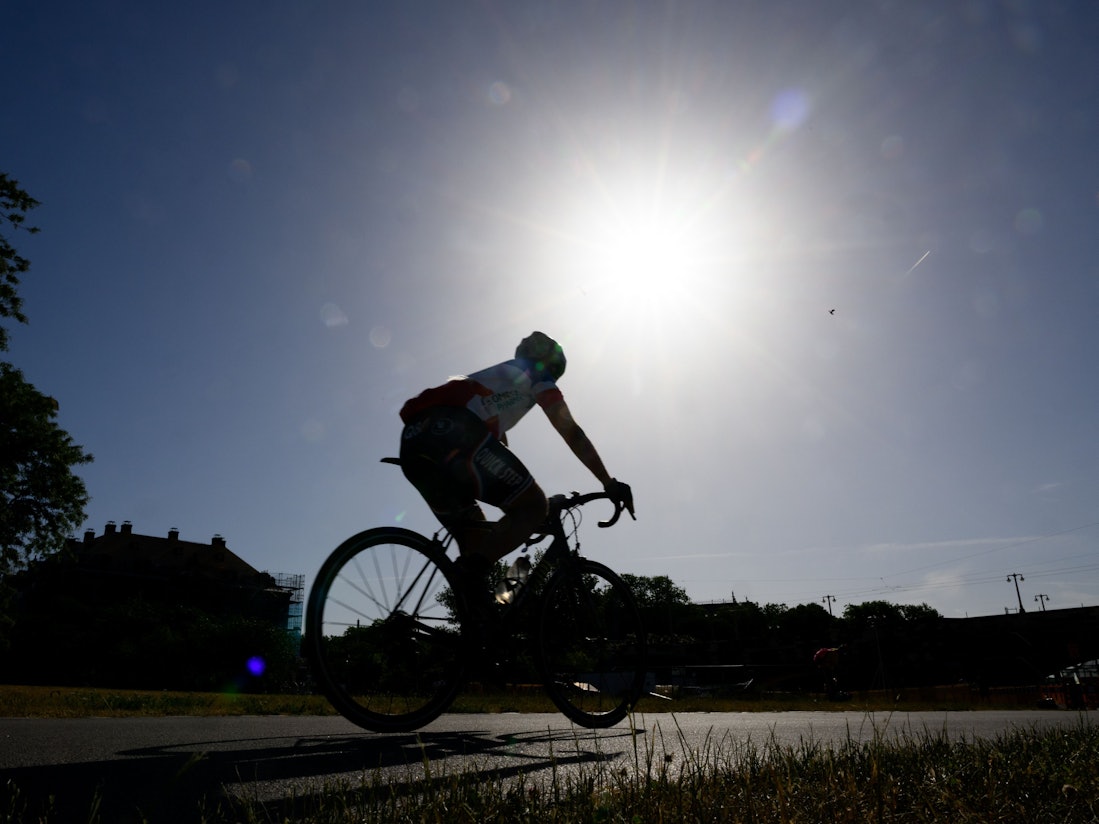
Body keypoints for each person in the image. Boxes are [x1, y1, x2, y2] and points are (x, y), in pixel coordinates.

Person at [398, 331, 633, 591]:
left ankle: (475, 620)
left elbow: (496, 453)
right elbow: (570, 431)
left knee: (477, 543)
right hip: (455, 434)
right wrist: (607, 482)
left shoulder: (497, 387)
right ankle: (474, 583)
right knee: (532, 505)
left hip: (413, 443)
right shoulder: (537, 375)